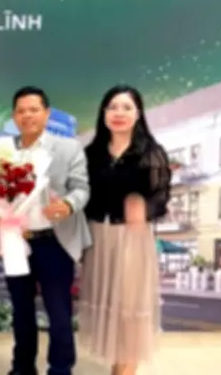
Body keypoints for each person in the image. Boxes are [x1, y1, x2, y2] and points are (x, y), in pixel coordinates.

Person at [0, 86, 92, 375]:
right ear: (14, 116)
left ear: (46, 114)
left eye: (34, 110)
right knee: (21, 311)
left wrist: (68, 205)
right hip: (15, 241)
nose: (27, 116)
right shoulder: (2, 151)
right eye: (21, 111)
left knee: (59, 313)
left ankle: (60, 368)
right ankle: (22, 368)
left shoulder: (68, 148)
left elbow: (82, 188)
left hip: (54, 242)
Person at [79, 85, 170, 375]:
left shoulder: (151, 153)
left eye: (127, 107)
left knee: (129, 309)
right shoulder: (91, 153)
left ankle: (125, 371)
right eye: (113, 107)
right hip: (98, 237)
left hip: (132, 238)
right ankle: (116, 366)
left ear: (138, 114)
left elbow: (161, 196)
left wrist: (144, 208)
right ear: (103, 113)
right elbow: (82, 195)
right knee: (108, 306)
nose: (119, 113)